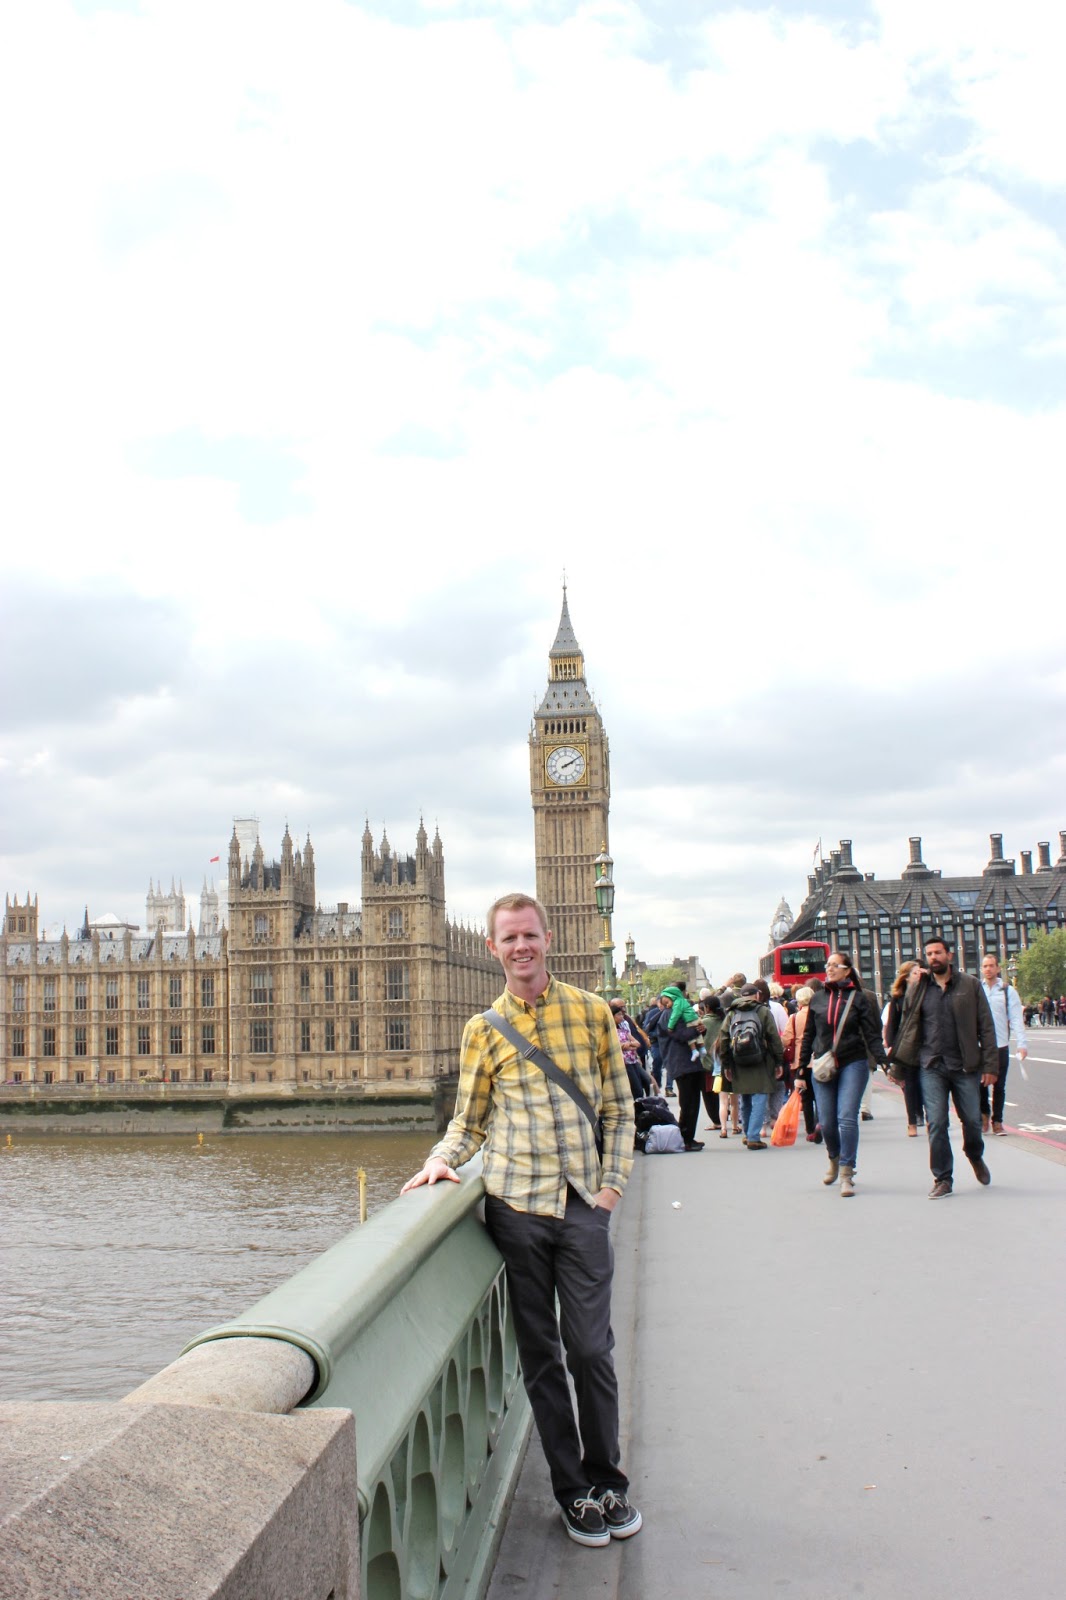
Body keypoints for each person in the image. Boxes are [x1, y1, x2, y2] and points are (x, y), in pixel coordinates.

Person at [400, 893, 641, 1547]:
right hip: (514, 1209)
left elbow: (621, 1110)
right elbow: (469, 1121)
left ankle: (609, 1480)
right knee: (542, 1357)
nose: (521, 947)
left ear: (548, 938)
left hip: (581, 1207)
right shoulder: (483, 1028)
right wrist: (439, 1161)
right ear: (493, 948)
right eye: (509, 938)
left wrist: (611, 1189)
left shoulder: (591, 1013)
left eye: (529, 935)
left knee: (591, 1351)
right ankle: (574, 1492)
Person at [890, 936, 998, 1199]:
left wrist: (990, 1065)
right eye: (929, 953)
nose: (933, 957)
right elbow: (906, 1027)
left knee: (972, 1121)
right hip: (931, 1065)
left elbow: (986, 1025)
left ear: (950, 955)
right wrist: (899, 1066)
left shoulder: (970, 985)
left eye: (938, 952)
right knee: (936, 1122)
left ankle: (974, 1155)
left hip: (965, 1066)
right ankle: (943, 1177)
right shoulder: (918, 988)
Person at [797, 952, 887, 1197]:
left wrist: (884, 1062)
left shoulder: (860, 999)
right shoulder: (817, 999)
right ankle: (834, 1159)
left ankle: (847, 1172)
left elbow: (872, 1035)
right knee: (826, 1122)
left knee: (847, 1117)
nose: (830, 968)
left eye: (835, 965)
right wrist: (800, 1070)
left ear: (848, 970)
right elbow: (808, 1037)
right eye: (828, 965)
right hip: (823, 1065)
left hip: (853, 1062)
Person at [717, 982, 784, 1150]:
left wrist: (726, 1064)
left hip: (738, 1061)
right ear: (758, 995)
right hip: (761, 1060)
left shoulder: (732, 1013)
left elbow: (724, 1039)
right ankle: (754, 1137)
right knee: (760, 1096)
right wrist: (778, 1061)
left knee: (744, 1097)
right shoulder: (762, 1011)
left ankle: (748, 1134)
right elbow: (774, 1038)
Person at [979, 954, 1028, 1135]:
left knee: (999, 1085)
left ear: (998, 968)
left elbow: (1016, 1018)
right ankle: (984, 1113)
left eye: (992, 965)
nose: (989, 969)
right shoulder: (977, 989)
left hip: (1000, 1045)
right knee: (980, 1084)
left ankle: (997, 1121)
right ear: (982, 969)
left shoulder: (1007, 991)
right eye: (985, 966)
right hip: (981, 1045)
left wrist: (1022, 1044)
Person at [660, 992, 707, 1149]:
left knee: (691, 1102)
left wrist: (699, 1030)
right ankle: (685, 1138)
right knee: (689, 1103)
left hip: (686, 1063)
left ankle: (688, 1137)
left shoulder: (673, 1012)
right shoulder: (670, 1015)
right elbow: (679, 1035)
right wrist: (697, 1031)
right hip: (683, 1063)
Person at [883, 960, 924, 1136]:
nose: (919, 976)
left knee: (926, 1082)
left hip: (924, 1045)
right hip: (906, 1047)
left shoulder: (926, 994)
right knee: (909, 1084)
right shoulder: (898, 998)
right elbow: (892, 1024)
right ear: (906, 977)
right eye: (915, 973)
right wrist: (892, 1047)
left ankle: (927, 1117)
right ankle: (912, 1121)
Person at [783, 986, 819, 1141]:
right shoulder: (819, 1015)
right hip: (819, 1060)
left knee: (806, 1097)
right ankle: (821, 1125)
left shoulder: (795, 1018)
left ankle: (810, 1129)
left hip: (800, 1062)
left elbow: (786, 1039)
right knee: (821, 1096)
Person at [610, 999, 653, 1098]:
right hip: (624, 1062)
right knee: (636, 1088)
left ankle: (646, 1102)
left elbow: (637, 1043)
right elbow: (616, 1045)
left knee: (646, 1080)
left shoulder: (623, 1027)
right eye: (619, 1013)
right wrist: (625, 1045)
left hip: (633, 1060)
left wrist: (628, 1045)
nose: (622, 1014)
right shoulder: (610, 1030)